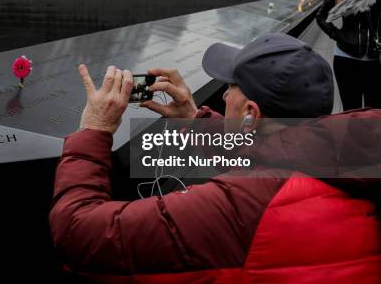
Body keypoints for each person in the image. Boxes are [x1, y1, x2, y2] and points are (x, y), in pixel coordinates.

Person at [50, 33, 380, 282]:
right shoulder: (353, 153)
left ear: (251, 112)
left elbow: (78, 233)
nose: (224, 94)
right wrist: (193, 120)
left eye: (232, 86)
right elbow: (276, 147)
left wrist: (94, 130)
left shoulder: (241, 207)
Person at [316, 0, 381, 110]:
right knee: (351, 112)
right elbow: (321, 17)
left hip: (377, 60)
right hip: (346, 58)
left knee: (374, 114)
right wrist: (340, 37)